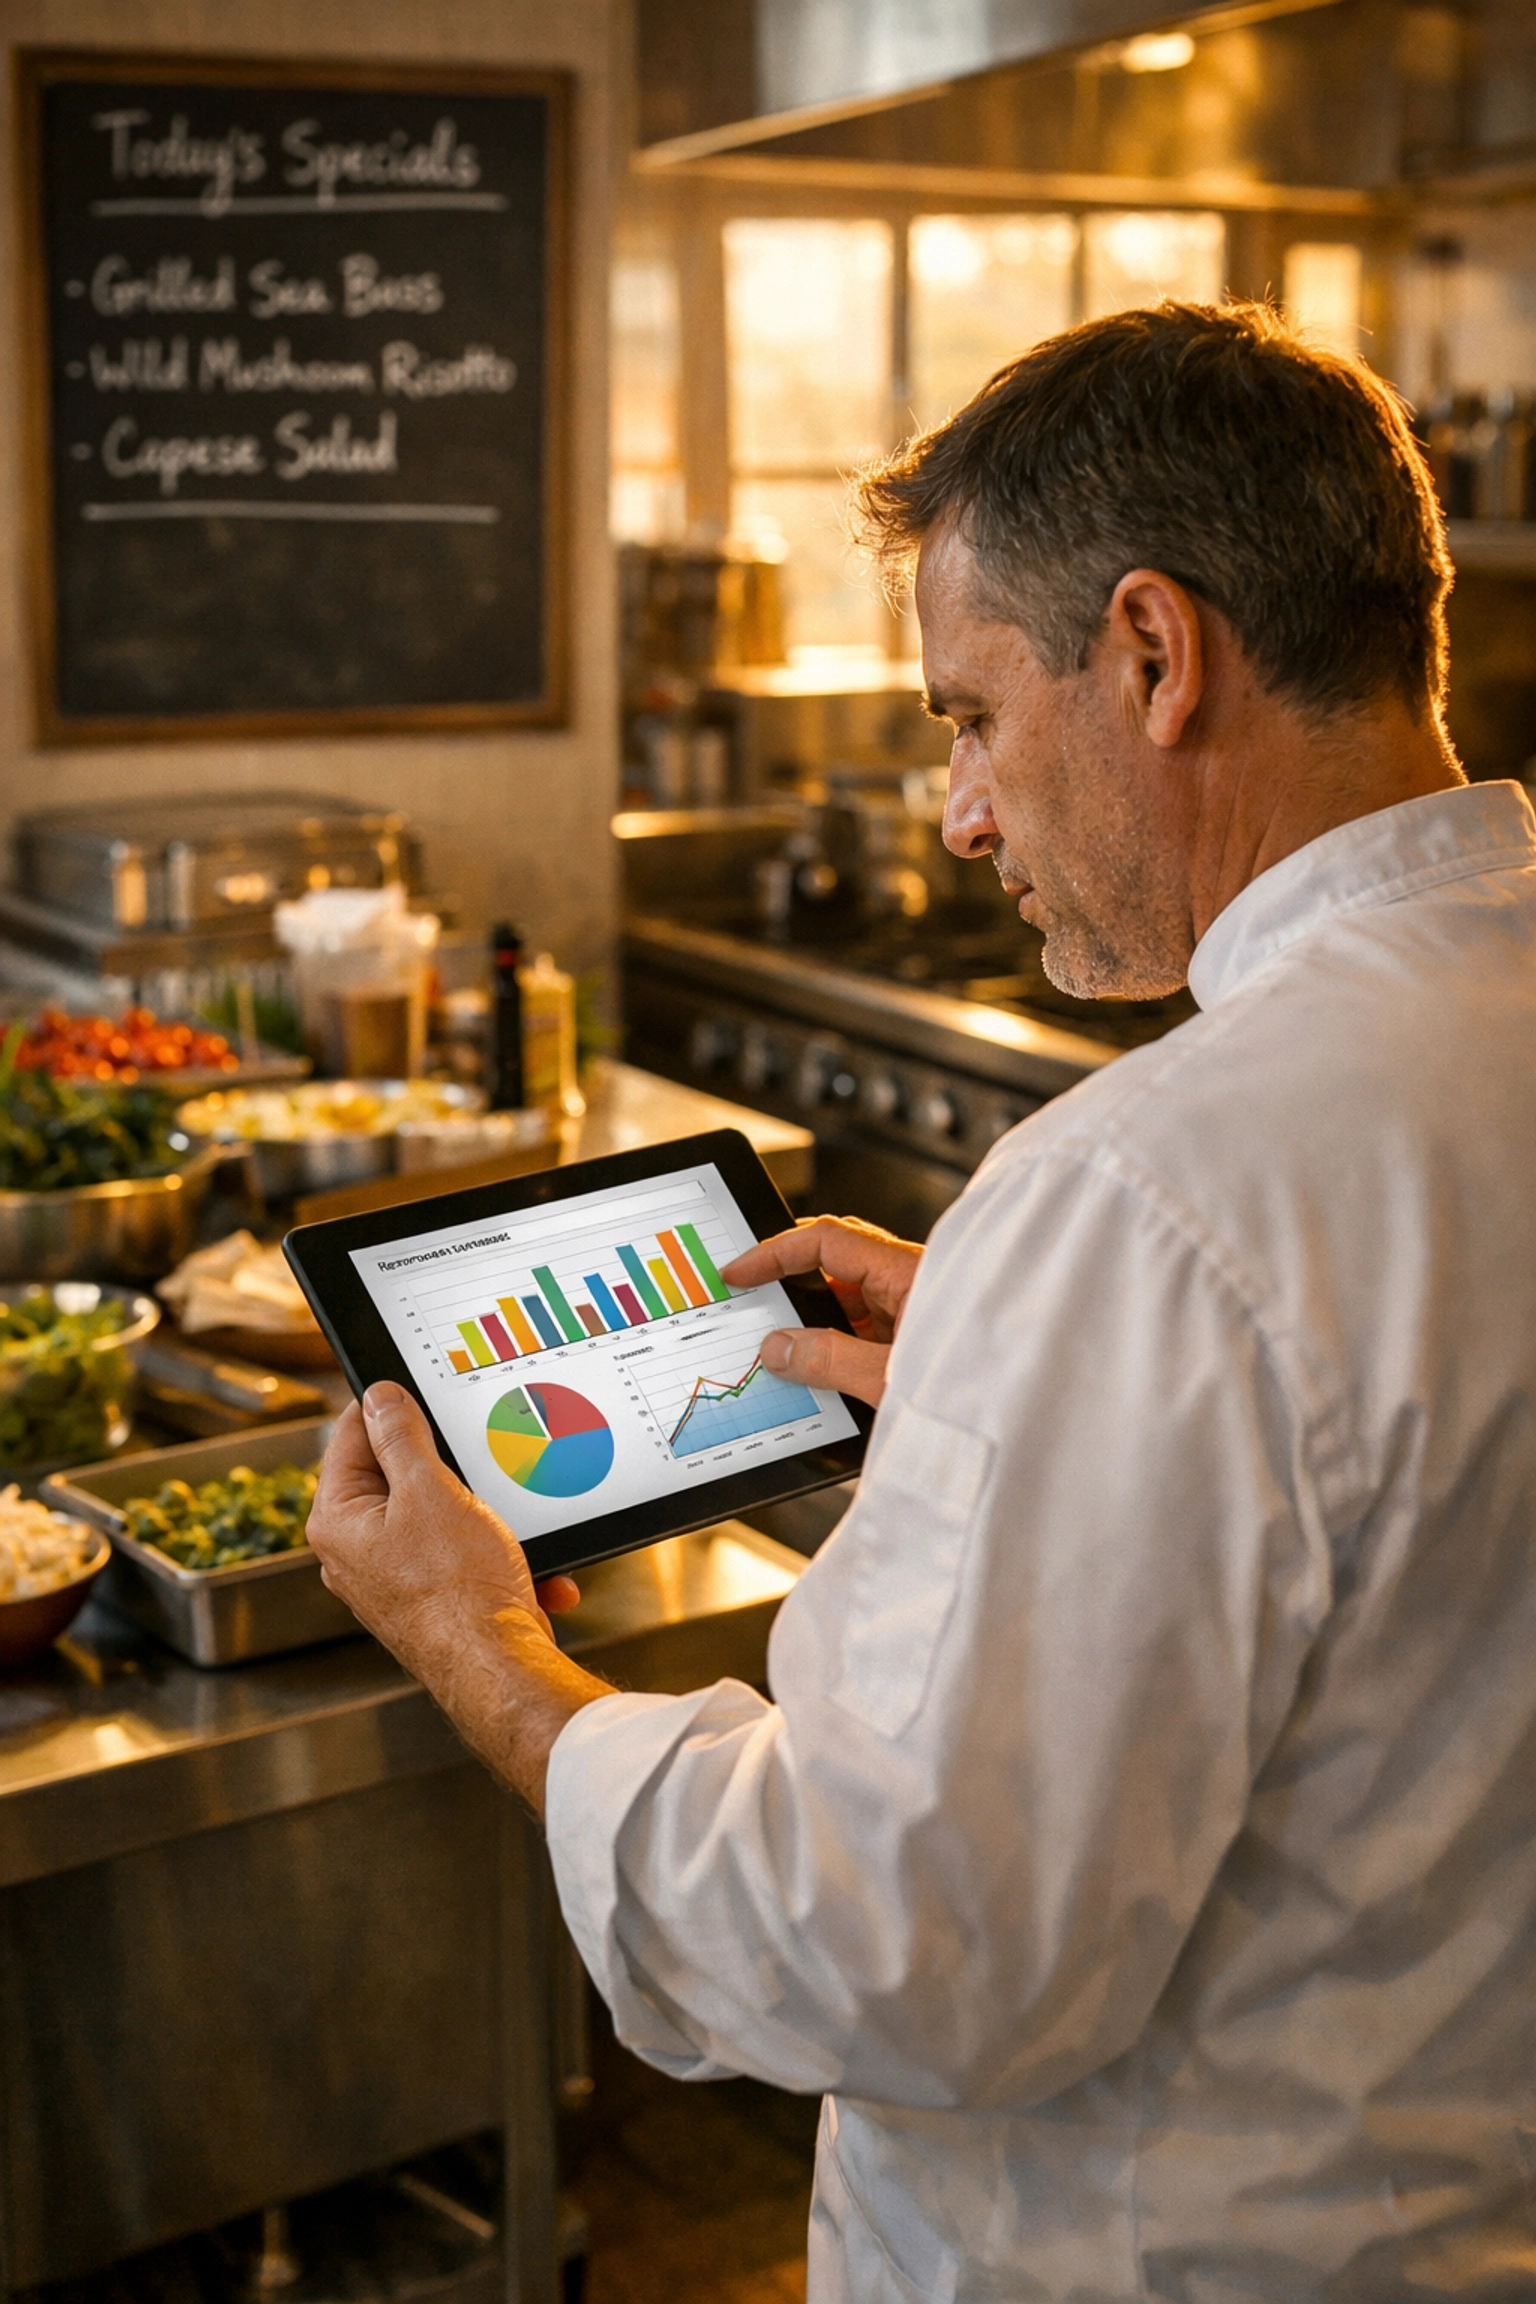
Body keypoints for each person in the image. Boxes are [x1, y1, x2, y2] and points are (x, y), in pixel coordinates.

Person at [307, 302, 1536, 2301]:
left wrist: (494, 1656)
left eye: (969, 716)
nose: (964, 814)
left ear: (1153, 653)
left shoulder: (1148, 1197)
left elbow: (902, 1945)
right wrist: (1030, 1373)